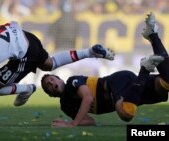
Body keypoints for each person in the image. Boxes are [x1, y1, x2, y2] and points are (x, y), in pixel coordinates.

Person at [41, 12, 169, 127]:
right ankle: (153, 35)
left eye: (51, 79)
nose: (51, 84)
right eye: (48, 86)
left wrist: (73, 124)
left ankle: (145, 69)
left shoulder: (72, 82)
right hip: (131, 91)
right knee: (164, 85)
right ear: (51, 94)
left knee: (125, 113)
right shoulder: (66, 106)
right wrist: (70, 122)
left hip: (116, 83)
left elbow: (88, 98)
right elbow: (90, 122)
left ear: (59, 79)